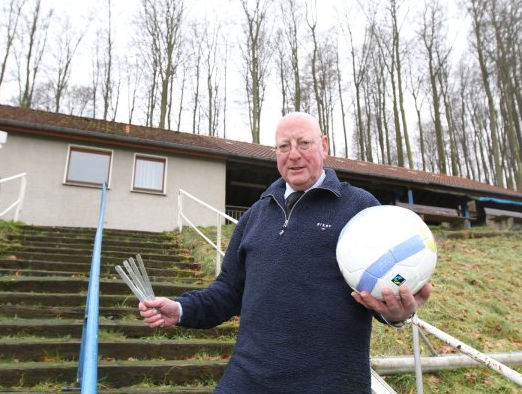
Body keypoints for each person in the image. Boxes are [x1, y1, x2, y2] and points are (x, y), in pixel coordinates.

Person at [139, 112, 432, 393]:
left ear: (324, 145)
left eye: (304, 143)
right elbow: (228, 291)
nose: (294, 155)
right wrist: (180, 309)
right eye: (284, 146)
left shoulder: (360, 208)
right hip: (248, 380)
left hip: (331, 383)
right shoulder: (254, 216)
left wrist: (398, 314)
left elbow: (381, 286)